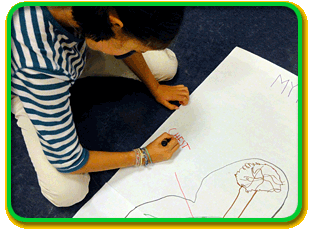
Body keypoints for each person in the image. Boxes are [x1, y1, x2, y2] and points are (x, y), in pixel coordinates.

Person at [11, 6, 189, 207]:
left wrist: (155, 87)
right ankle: (22, 100)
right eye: (137, 49)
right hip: (27, 80)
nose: (138, 52)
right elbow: (68, 160)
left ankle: (88, 58)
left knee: (166, 66)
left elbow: (120, 25)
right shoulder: (39, 65)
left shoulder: (98, 16)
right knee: (67, 192)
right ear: (114, 25)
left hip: (76, 48)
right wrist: (143, 156)